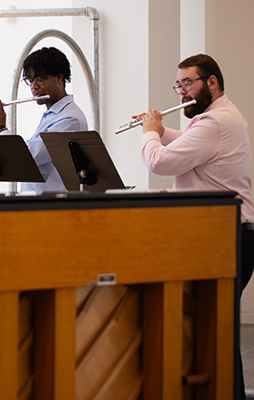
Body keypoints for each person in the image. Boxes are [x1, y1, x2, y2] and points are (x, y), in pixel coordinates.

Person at [138, 53, 254, 399]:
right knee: (217, 326)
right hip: (229, 233)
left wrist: (149, 135)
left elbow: (158, 162)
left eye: (188, 83)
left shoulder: (213, 123)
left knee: (218, 328)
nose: (181, 92)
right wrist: (160, 130)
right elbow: (191, 144)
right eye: (179, 85)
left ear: (212, 82)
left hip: (228, 234)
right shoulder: (217, 118)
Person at [0, 46, 88, 193]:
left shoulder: (69, 119)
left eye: (39, 80)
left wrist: (0, 127)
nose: (34, 87)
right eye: (30, 81)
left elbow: (27, 158)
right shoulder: (52, 116)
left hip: (54, 207)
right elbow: (14, 159)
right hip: (37, 203)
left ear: (59, 77)